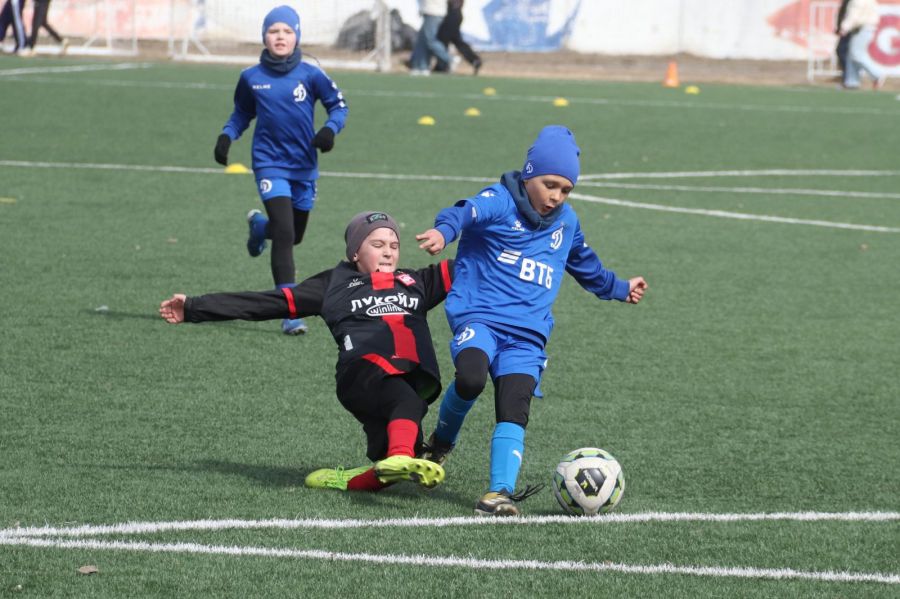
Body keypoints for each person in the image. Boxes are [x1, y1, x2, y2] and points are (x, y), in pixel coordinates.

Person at [415, 126, 648, 517]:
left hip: (527, 335)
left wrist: (620, 288)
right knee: (470, 379)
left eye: (565, 189)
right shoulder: (500, 199)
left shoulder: (566, 222)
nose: (556, 196)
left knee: (514, 405)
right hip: (481, 317)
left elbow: (586, 267)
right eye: (550, 184)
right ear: (528, 174)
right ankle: (440, 443)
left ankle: (498, 493)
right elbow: (464, 211)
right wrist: (444, 231)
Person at [160, 211, 453, 493]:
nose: (388, 252)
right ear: (354, 253)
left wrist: (463, 226)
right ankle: (400, 454)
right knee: (406, 404)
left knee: (395, 463)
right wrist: (194, 307)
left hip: (404, 375)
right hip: (362, 373)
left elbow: (474, 265)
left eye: (394, 245)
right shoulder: (333, 285)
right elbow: (265, 303)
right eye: (377, 244)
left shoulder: (417, 282)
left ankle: (344, 480)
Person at [214, 5, 349, 336]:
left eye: (287, 31)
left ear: (297, 36)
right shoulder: (251, 77)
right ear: (264, 36)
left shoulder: (311, 73)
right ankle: (290, 311)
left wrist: (329, 130)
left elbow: (339, 106)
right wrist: (226, 136)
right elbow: (241, 114)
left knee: (294, 234)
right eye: (274, 31)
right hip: (268, 163)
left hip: (304, 166)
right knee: (286, 233)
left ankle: (260, 228)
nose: (280, 37)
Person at [839, 0, 886, 90]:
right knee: (851, 55)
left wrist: (844, 27)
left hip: (861, 28)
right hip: (866, 28)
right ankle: (852, 81)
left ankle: (877, 74)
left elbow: (854, 16)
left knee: (856, 54)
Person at [436, 0, 482, 75]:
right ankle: (474, 60)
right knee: (456, 41)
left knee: (444, 40)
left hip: (453, 14)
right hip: (454, 14)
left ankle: (442, 65)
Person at [409, 0, 451, 76]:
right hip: (430, 11)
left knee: (430, 40)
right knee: (422, 41)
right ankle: (422, 66)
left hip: (433, 12)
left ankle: (449, 59)